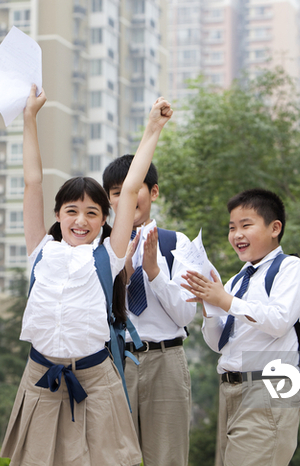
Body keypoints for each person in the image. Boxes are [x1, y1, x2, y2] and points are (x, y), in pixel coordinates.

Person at [0, 85, 173, 466]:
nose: (81, 220)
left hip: (95, 379)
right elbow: (32, 182)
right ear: (58, 215)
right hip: (41, 376)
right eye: (72, 211)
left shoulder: (109, 255)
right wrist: (30, 118)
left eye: (92, 212)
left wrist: (152, 130)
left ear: (104, 220)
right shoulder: (40, 251)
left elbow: (129, 191)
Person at [181, 188, 300, 466]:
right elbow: (219, 344)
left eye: (246, 225)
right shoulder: (236, 281)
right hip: (231, 391)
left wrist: (225, 300)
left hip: (268, 388)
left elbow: (278, 322)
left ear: (275, 228)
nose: (236, 235)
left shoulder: (291, 268)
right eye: (232, 228)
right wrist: (209, 305)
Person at [101, 156, 196, 466]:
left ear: (153, 192)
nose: (124, 197)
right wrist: (119, 272)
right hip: (114, 362)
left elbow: (185, 316)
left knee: (167, 458)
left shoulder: (176, 244)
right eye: (116, 192)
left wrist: (154, 272)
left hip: (165, 361)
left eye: (132, 188)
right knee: (112, 457)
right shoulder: (98, 250)